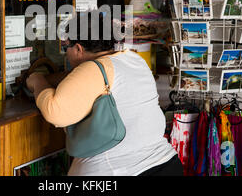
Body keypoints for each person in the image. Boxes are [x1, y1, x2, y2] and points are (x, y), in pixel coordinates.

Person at [25, 11, 182, 176]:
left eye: (66, 47)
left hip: (131, 172)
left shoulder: (93, 69)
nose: (66, 53)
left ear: (78, 48)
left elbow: (54, 111)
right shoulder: (133, 60)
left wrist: (37, 81)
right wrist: (50, 79)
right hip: (166, 164)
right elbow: (84, 79)